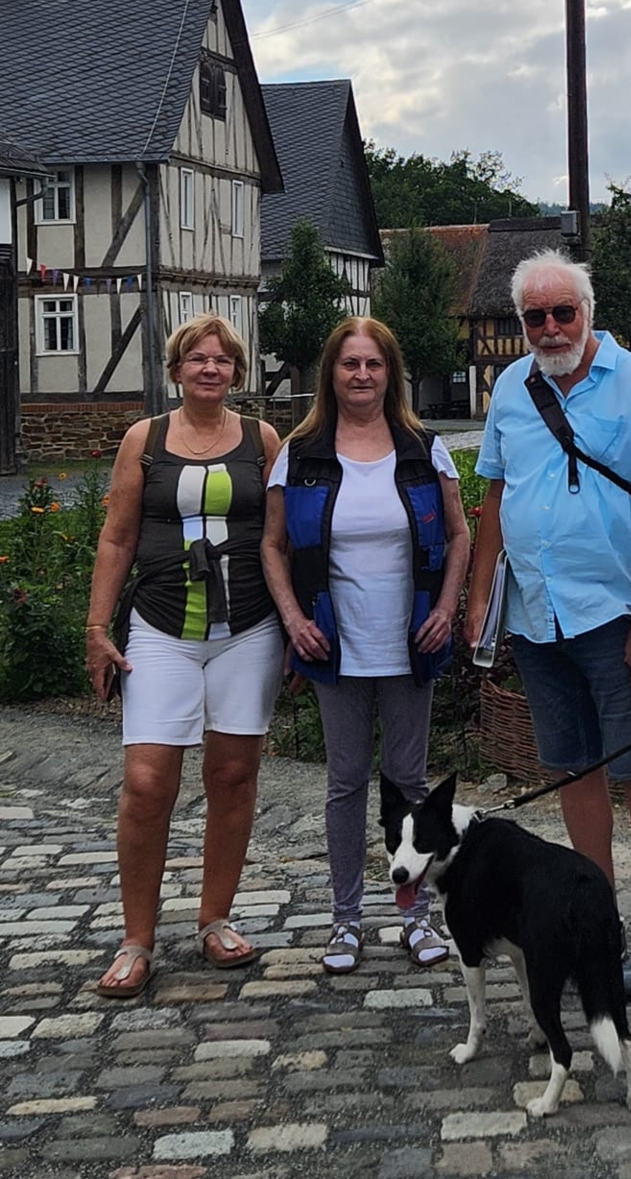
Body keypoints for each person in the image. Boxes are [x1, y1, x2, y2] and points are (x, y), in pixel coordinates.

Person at [463, 250, 631, 1000]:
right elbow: (496, 495)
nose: (551, 327)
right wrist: (478, 600)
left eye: (564, 312)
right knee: (573, 766)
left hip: (616, 610)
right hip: (537, 612)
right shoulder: (510, 390)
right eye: (536, 316)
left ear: (588, 311)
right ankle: (600, 917)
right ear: (520, 321)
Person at [260, 316, 471, 974]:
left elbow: (461, 535)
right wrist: (294, 621)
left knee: (410, 782)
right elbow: (273, 544)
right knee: (346, 783)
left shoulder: (422, 449)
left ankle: (416, 918)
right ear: (332, 373)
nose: (361, 375)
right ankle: (345, 922)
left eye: (373, 364)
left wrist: (446, 608)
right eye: (350, 364)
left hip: (410, 641)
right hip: (333, 645)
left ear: (390, 373)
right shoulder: (301, 454)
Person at [84, 313, 284, 997]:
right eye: (197, 359)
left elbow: (282, 536)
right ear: (176, 371)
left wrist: (293, 620)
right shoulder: (147, 439)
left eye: (222, 360)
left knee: (232, 775)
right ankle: (136, 938)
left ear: (236, 371)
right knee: (147, 783)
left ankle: (215, 918)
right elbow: (116, 537)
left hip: (248, 627)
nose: (210, 369)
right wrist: (96, 625)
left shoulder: (262, 440)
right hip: (162, 626)